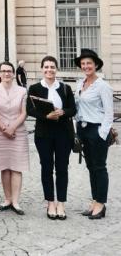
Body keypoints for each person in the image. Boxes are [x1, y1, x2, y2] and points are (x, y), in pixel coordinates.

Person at [27, 56, 76, 220]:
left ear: (56, 69)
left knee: (62, 168)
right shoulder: (34, 88)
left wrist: (62, 112)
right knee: (46, 168)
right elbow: (30, 110)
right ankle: (50, 202)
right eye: (46, 67)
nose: (49, 70)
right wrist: (46, 115)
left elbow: (73, 109)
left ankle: (61, 202)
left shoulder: (65, 88)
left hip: (63, 132)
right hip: (44, 133)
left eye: (52, 67)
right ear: (42, 69)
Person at [74, 49, 114, 220]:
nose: (86, 66)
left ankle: (101, 203)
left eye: (89, 63)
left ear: (96, 65)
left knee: (99, 167)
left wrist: (102, 134)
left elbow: (109, 113)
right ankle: (94, 200)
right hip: (83, 129)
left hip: (96, 129)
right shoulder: (80, 84)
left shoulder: (103, 86)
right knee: (91, 167)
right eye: (83, 64)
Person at [0, 61, 29, 215]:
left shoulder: (22, 91)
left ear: (14, 73)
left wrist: (12, 127)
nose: (6, 73)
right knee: (4, 167)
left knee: (17, 167)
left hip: (18, 132)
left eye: (9, 71)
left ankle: (15, 201)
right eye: (3, 71)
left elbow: (24, 112)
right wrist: (4, 128)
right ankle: (7, 199)